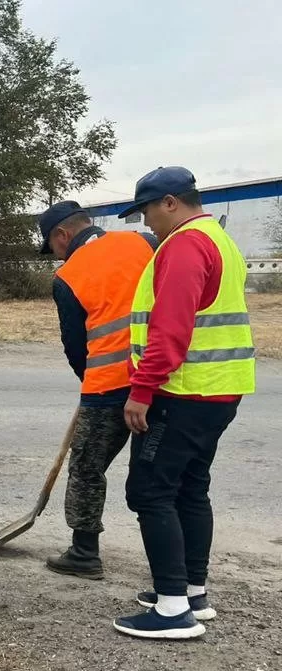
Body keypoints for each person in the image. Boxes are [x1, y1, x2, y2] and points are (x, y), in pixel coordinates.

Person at [110, 167, 255, 640]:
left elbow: (170, 328)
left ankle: (172, 609)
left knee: (150, 491)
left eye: (147, 211)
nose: (145, 222)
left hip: (183, 391)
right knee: (190, 487)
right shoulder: (218, 239)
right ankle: (192, 590)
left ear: (170, 202)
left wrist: (142, 389)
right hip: (218, 390)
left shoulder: (185, 244)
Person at [37, 201, 156, 579]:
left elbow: (75, 346)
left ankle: (84, 552)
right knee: (157, 473)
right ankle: (171, 564)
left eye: (52, 246)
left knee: (87, 466)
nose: (55, 254)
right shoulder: (145, 243)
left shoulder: (68, 276)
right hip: (161, 377)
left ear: (63, 235)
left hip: (108, 385)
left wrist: (89, 382)